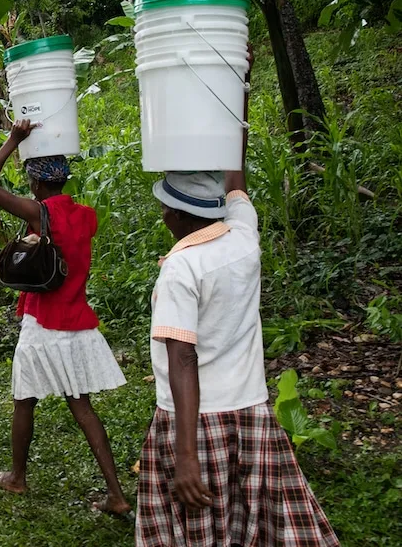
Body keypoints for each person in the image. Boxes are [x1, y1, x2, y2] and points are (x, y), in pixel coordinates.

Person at [137, 52, 339, 546]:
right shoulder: (243, 236)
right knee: (247, 524)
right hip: (250, 413)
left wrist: (186, 456)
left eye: (166, 207)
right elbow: (236, 173)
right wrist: (237, 87)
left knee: (199, 529)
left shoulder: (181, 267)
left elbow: (182, 356)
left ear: (176, 215)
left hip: (194, 422)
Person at [0, 120, 132, 519]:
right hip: (77, 324)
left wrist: (14, 139)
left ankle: (17, 477)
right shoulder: (86, 215)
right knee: (83, 409)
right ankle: (116, 494)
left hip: (43, 324)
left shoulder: (39, 213)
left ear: (36, 183)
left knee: (24, 401)